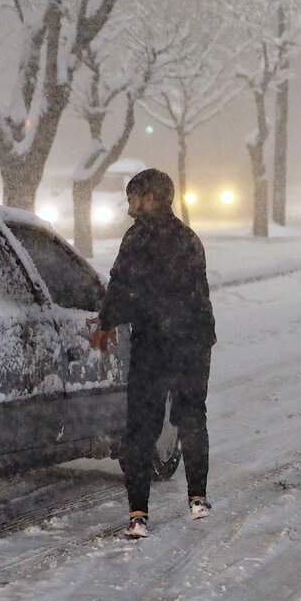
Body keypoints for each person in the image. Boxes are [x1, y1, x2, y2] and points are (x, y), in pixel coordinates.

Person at [89, 168, 216, 540]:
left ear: (149, 199)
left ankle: (139, 515)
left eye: (132, 200)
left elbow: (124, 285)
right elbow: (186, 293)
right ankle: (198, 498)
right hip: (193, 342)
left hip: (156, 345)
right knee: (191, 417)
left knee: (141, 427)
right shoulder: (189, 239)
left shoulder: (138, 238)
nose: (129, 209)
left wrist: (107, 321)